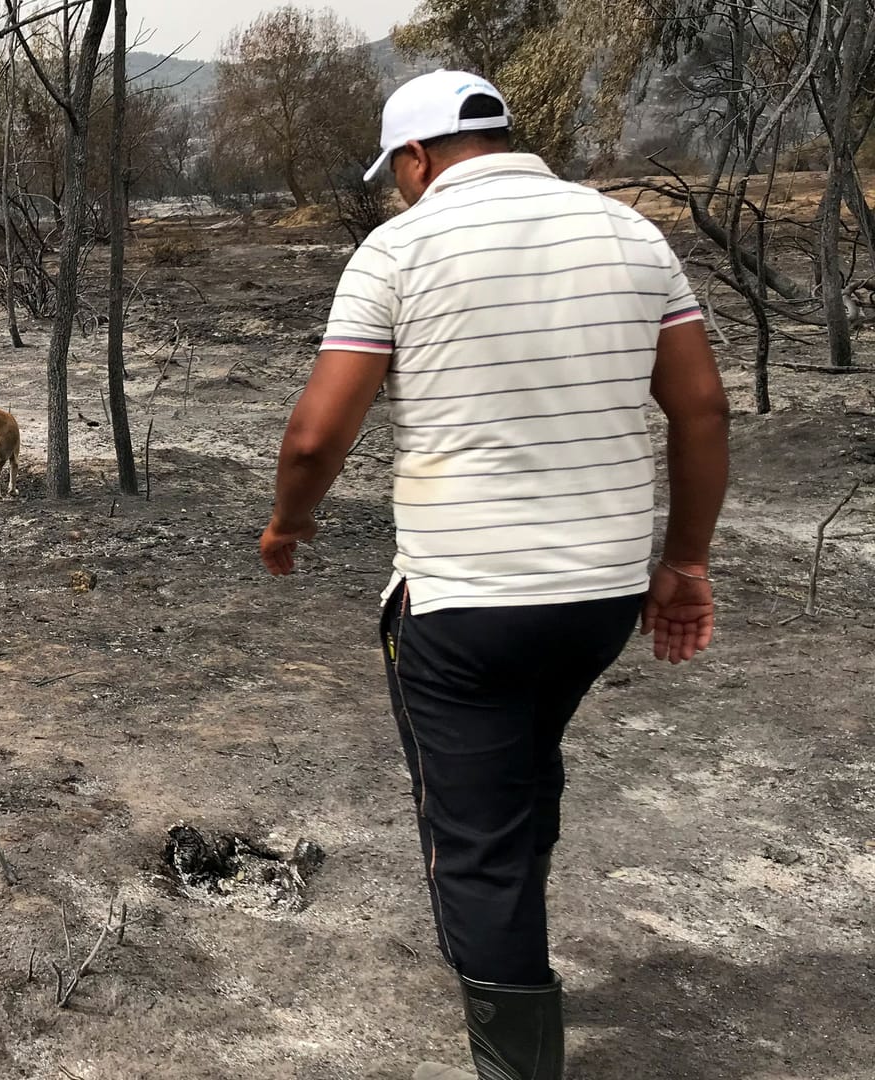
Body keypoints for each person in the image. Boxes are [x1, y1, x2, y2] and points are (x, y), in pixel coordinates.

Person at [258, 70, 730, 1080]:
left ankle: (515, 1048)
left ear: (419, 160)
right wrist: (682, 563)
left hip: (465, 605)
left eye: (397, 174)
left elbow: (313, 437)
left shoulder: (401, 246)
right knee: (523, 768)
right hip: (599, 597)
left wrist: (288, 523)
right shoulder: (630, 235)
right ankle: (508, 924)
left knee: (472, 831)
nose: (398, 191)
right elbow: (699, 410)